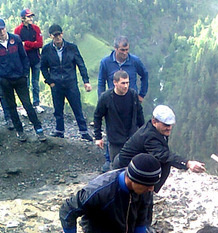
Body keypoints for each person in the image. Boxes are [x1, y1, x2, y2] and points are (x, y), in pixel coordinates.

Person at [59, 153, 173, 233]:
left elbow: (140, 219)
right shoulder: (99, 191)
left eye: (153, 184)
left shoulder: (145, 188)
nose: (152, 189)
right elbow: (67, 211)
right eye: (148, 185)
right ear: (133, 179)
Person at [112, 105, 206, 228]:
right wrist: (187, 163)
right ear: (154, 121)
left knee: (144, 196)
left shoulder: (158, 130)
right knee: (136, 198)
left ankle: (141, 225)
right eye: (166, 125)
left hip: (138, 167)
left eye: (171, 125)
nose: (169, 128)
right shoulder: (149, 136)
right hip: (126, 169)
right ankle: (138, 227)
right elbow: (163, 155)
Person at [0, 18, 45, 142]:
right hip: (5, 80)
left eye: (2, 28)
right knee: (11, 106)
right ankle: (20, 131)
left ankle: (39, 130)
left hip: (20, 78)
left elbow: (24, 57)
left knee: (28, 105)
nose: (1, 32)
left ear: (5, 27)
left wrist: (24, 73)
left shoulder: (15, 39)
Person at [97, 35, 149, 172]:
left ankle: (132, 166)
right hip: (112, 101)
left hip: (131, 101)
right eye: (122, 50)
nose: (125, 53)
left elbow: (144, 75)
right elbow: (101, 81)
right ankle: (110, 161)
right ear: (115, 49)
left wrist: (142, 94)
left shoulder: (134, 61)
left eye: (127, 50)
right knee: (113, 130)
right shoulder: (106, 62)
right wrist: (101, 99)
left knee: (131, 129)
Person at [40, 24, 93, 141]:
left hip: (71, 84)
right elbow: (43, 66)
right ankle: (59, 131)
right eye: (55, 35)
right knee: (58, 110)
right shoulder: (46, 50)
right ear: (51, 36)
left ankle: (84, 132)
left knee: (77, 108)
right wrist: (50, 81)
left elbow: (81, 64)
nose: (58, 37)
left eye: (59, 34)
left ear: (62, 34)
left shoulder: (72, 48)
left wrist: (86, 81)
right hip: (56, 84)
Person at [93, 70, 144, 163]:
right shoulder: (106, 98)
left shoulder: (133, 95)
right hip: (115, 141)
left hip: (132, 139)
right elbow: (97, 117)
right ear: (115, 83)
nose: (125, 86)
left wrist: (144, 133)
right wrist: (98, 137)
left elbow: (139, 114)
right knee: (116, 168)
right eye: (123, 83)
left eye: (127, 83)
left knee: (134, 167)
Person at [14, 8, 44, 113]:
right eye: (28, 16)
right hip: (24, 61)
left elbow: (40, 44)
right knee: (25, 84)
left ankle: (36, 103)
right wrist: (33, 44)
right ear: (23, 18)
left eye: (31, 16)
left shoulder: (36, 28)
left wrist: (26, 43)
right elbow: (18, 47)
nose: (31, 18)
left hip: (36, 60)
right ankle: (27, 105)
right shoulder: (17, 31)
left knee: (35, 83)